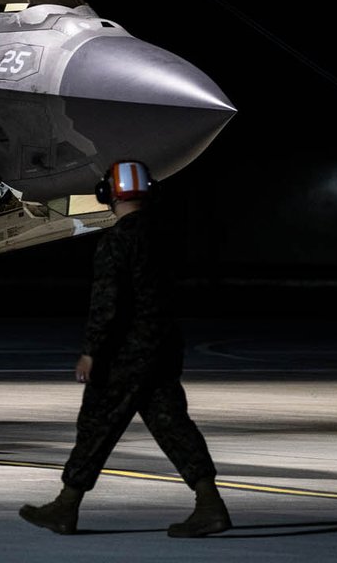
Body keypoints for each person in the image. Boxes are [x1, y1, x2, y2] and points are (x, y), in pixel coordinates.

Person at [19, 160, 231, 538]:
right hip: (163, 346)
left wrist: (91, 350)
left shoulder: (116, 241)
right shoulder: (165, 236)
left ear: (108, 195)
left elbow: (108, 303)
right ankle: (209, 503)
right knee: (173, 425)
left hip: (124, 352)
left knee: (96, 424)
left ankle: (66, 507)